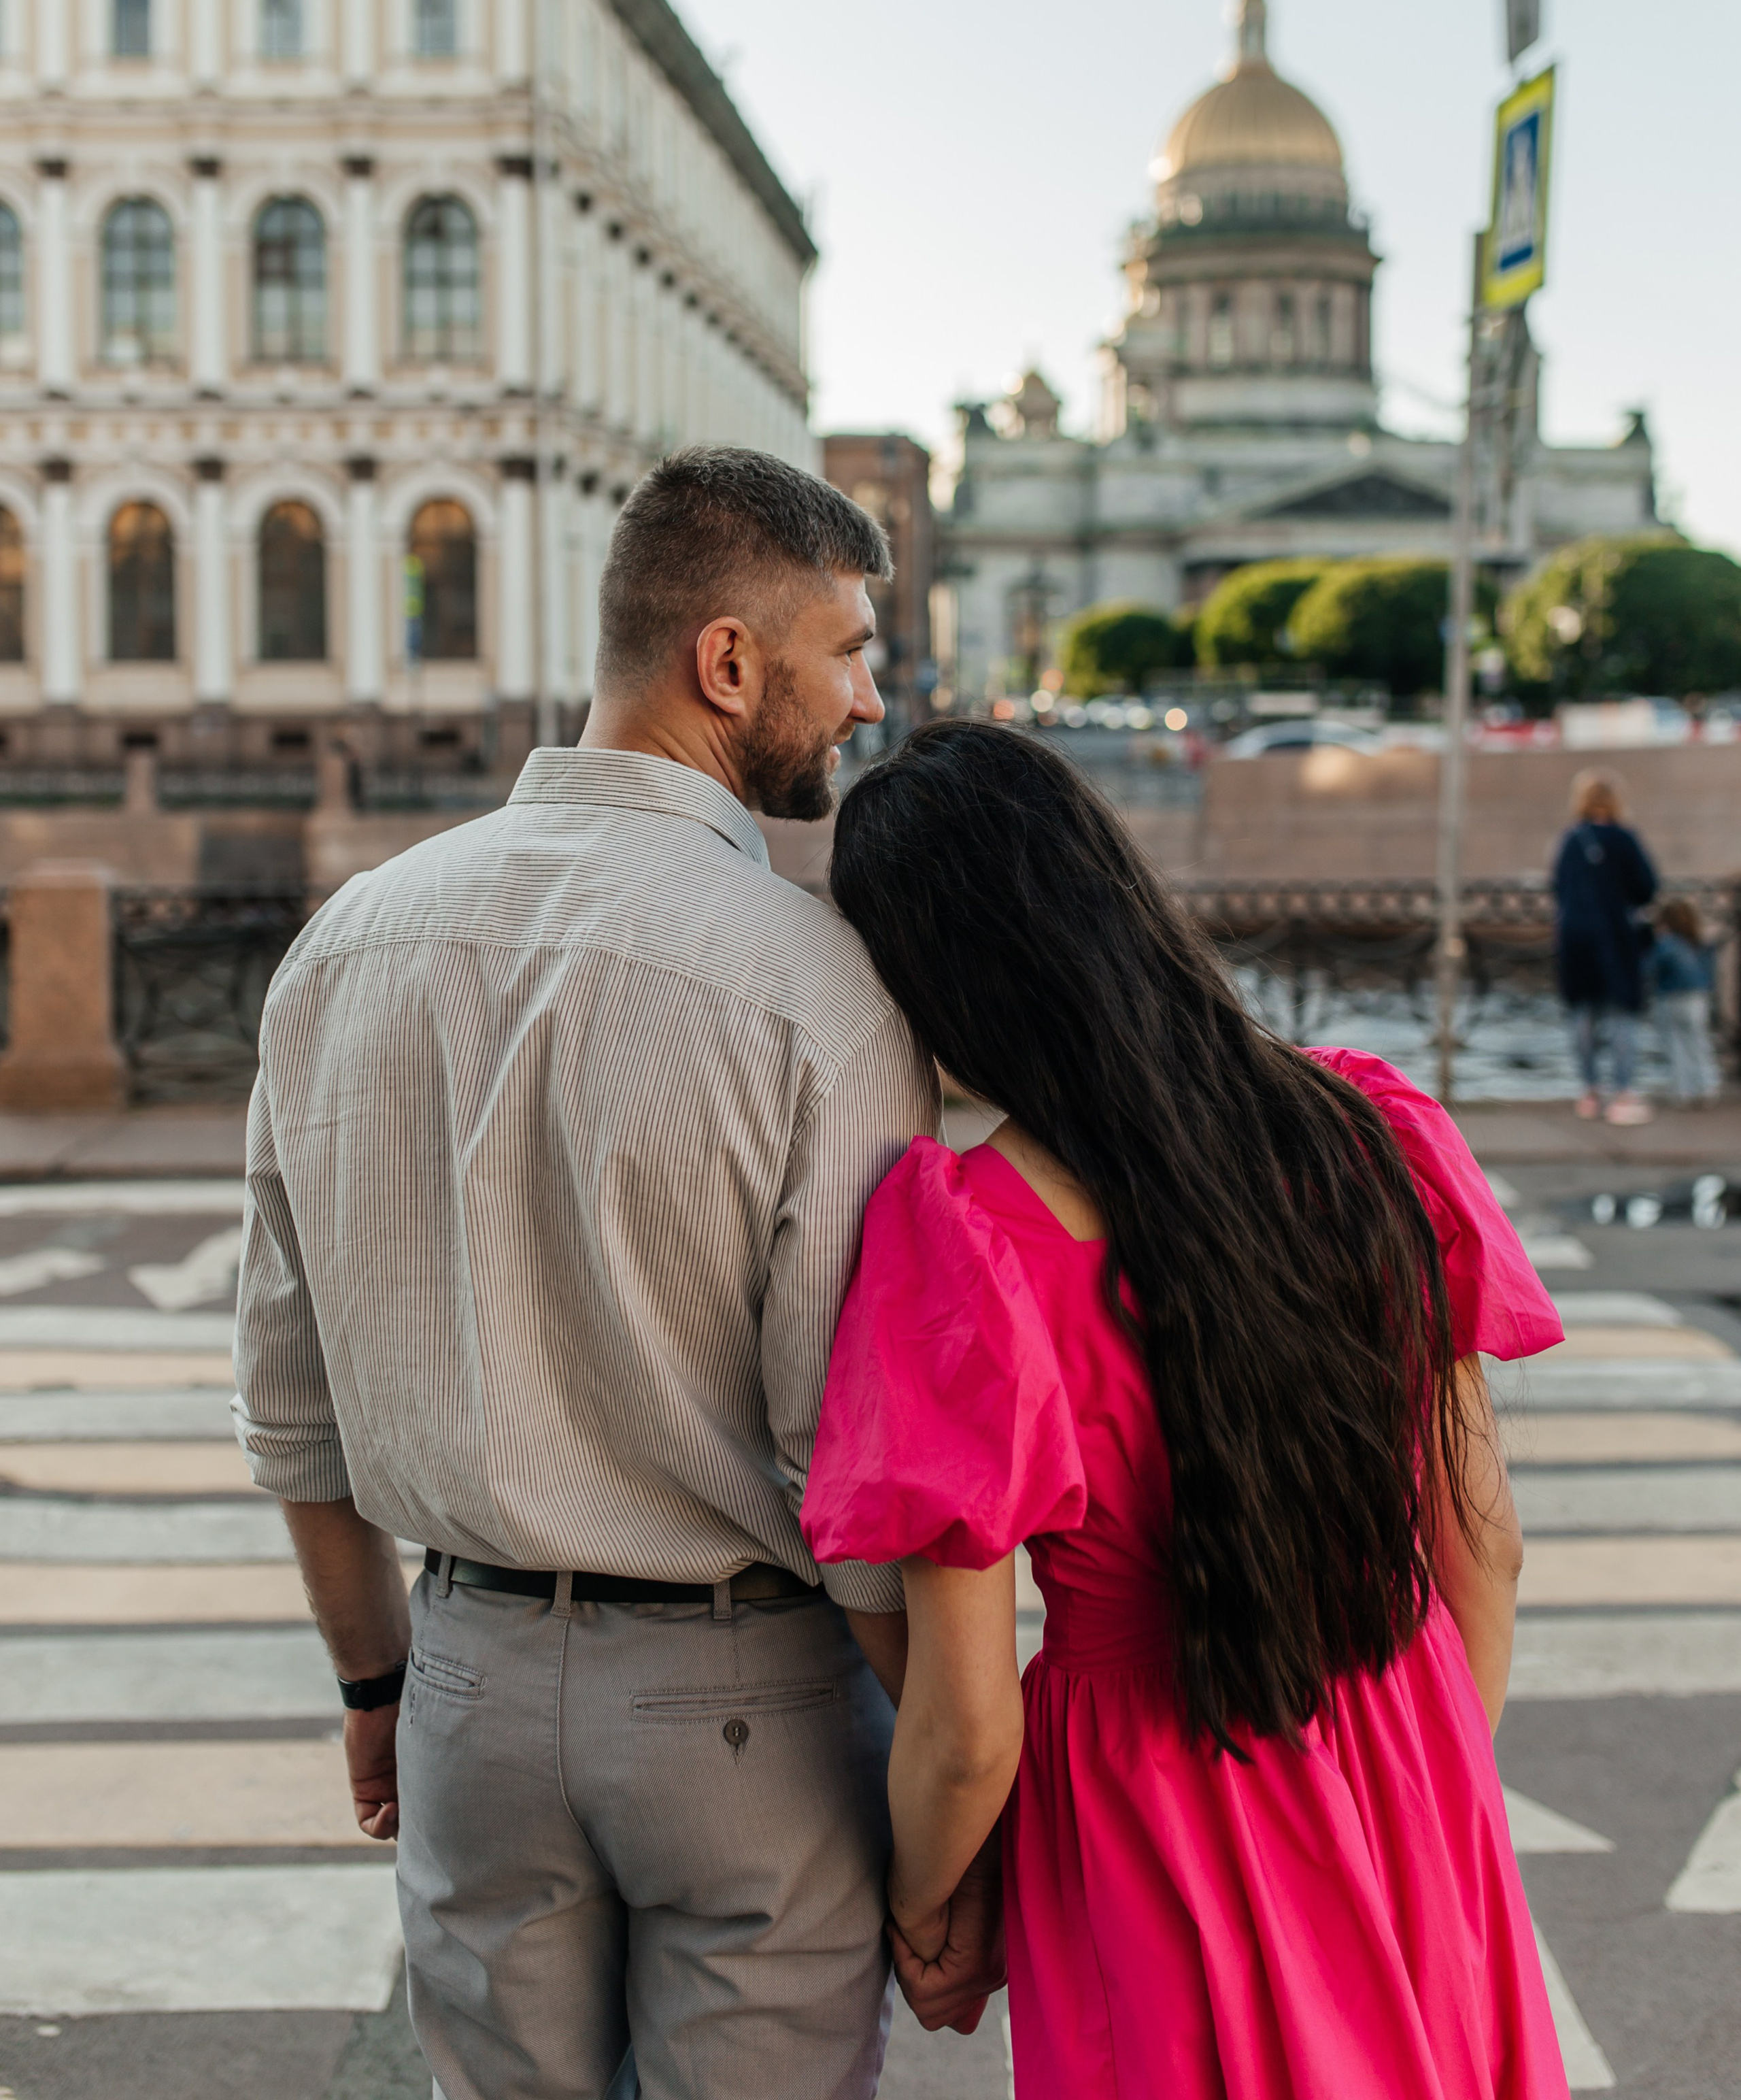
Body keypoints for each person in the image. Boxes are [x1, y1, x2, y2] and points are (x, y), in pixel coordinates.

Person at [232, 449, 982, 2100]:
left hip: (466, 1679)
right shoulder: (820, 988)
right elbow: (838, 1463)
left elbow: (292, 1409)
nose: (867, 696)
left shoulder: (343, 944)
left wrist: (377, 1685)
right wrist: (945, 1803)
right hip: (749, 1707)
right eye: (845, 650)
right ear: (726, 661)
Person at [802, 720, 1571, 2100]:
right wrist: (1420, 1775)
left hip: (1146, 1803)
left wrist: (929, 1910)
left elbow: (968, 1727)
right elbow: (1483, 1543)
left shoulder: (966, 1239)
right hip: (1396, 1738)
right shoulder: (1371, 1129)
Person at [1553, 770, 1659, 1124]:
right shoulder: (1624, 839)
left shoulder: (1571, 839)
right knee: (1621, 1016)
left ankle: (1589, 1092)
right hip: (1614, 937)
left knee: (1582, 1015)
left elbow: (1557, 887)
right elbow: (1647, 887)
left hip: (1575, 941)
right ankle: (1623, 1093)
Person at [1651, 897, 1721, 1105]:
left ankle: (1683, 1091)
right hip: (1698, 998)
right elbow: (1710, 973)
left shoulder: (1667, 944)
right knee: (1699, 1043)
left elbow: (1651, 968)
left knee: (1675, 1044)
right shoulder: (1700, 943)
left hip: (1671, 997)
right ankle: (1707, 1086)